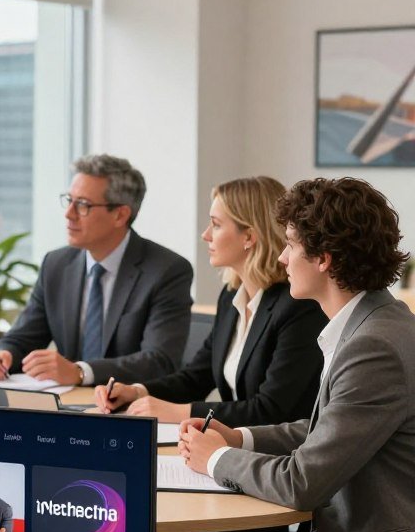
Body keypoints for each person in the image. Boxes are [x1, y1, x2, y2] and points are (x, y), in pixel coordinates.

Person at [164, 177, 415, 532]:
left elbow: (303, 483)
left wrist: (216, 461)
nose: (281, 258)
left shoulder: (373, 345)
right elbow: (325, 429)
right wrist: (238, 438)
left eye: (292, 245)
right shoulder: (377, 322)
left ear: (325, 259)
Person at [94, 177, 327, 427]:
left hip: (278, 456)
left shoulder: (298, 307)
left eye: (215, 225)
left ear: (248, 236)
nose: (205, 235)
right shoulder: (231, 297)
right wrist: (137, 392)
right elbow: (196, 377)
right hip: (232, 446)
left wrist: (179, 413)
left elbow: (269, 410)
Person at [0, 154, 193, 386]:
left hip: (132, 410)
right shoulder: (56, 265)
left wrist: (81, 372)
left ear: (120, 215)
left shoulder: (167, 271)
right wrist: (1, 356)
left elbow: (159, 360)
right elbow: (22, 337)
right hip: (67, 408)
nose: (68, 214)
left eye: (82, 205)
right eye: (69, 200)